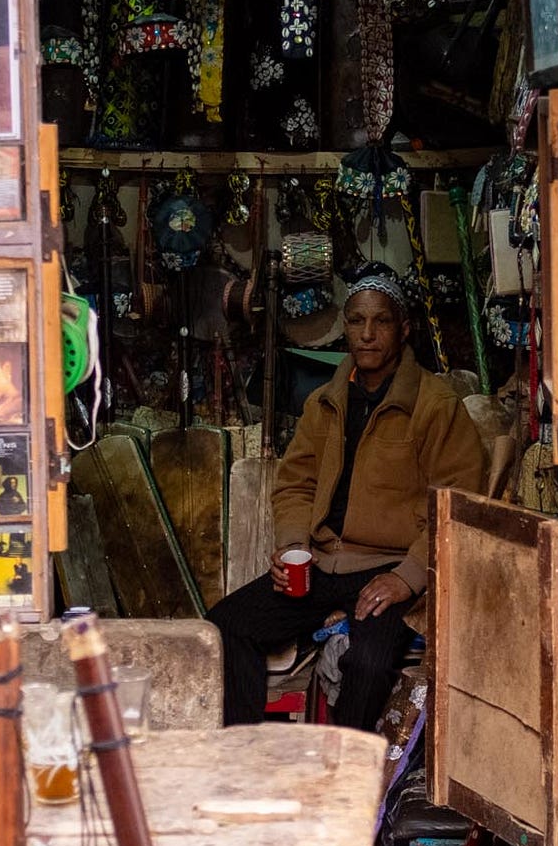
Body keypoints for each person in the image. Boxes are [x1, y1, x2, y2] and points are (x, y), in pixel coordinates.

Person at [207, 268, 484, 732]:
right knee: (223, 628)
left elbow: (458, 503)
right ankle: (246, 751)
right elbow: (296, 483)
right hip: (321, 564)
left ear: (404, 329)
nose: (368, 334)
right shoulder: (324, 402)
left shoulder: (436, 406)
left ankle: (348, 768)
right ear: (345, 327)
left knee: (368, 664)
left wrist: (409, 577)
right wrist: (292, 545)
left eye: (381, 321)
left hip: (387, 569)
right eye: (357, 321)